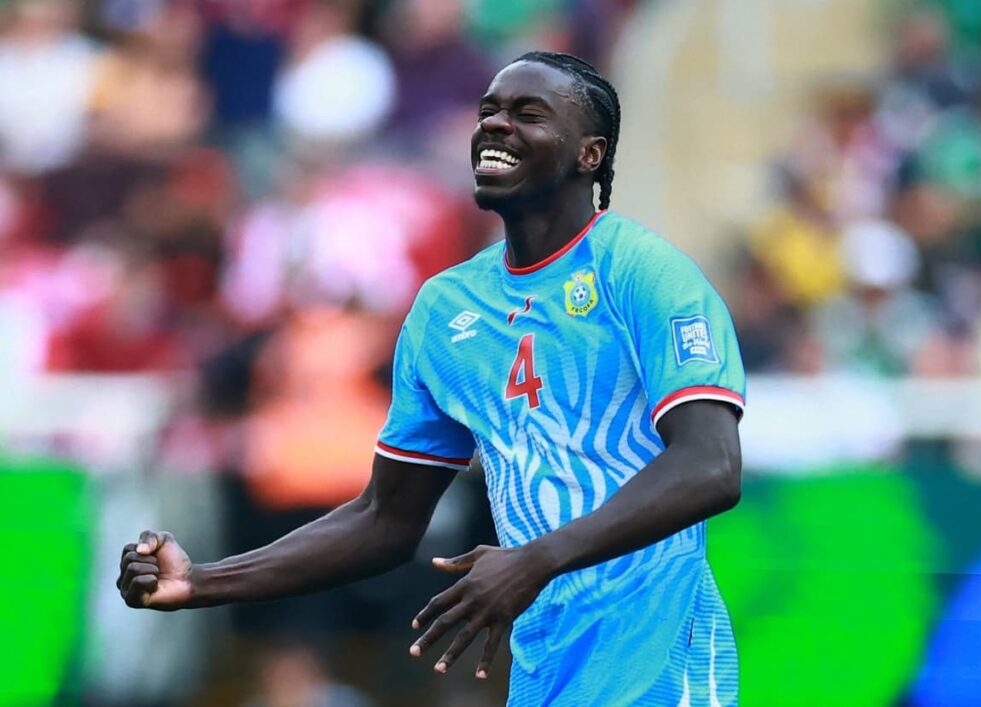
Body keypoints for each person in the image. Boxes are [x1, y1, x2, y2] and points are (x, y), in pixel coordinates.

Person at [118, 51, 746, 706]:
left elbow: (711, 465)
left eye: (528, 114)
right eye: (489, 112)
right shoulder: (446, 309)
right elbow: (385, 517)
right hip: (545, 673)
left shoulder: (644, 272)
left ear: (590, 155)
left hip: (660, 666)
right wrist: (203, 581)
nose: (497, 126)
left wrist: (532, 559)